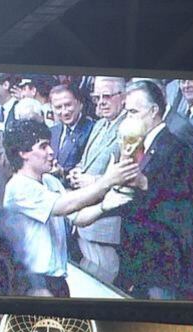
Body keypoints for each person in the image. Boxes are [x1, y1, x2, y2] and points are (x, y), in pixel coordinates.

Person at [1, 119, 138, 297]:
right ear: (23, 153)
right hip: (33, 283)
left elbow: (77, 217)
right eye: (43, 147)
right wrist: (106, 181)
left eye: (49, 145)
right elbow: (64, 206)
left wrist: (104, 206)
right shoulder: (18, 187)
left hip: (56, 281)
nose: (51, 152)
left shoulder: (50, 181)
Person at [111, 80, 193, 300]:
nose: (128, 118)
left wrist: (145, 184)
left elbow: (180, 201)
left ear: (154, 111)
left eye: (133, 111)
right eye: (126, 112)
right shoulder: (137, 145)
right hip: (137, 257)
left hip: (162, 260)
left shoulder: (176, 147)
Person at [68, 76, 127, 284]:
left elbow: (127, 174)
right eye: (96, 97)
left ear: (123, 97)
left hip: (106, 223)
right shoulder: (99, 124)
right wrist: (77, 172)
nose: (101, 102)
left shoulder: (129, 128)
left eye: (107, 96)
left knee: (102, 279)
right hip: (84, 218)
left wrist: (93, 180)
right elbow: (85, 161)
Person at [49, 84, 93, 179]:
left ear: (79, 104)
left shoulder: (92, 130)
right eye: (58, 107)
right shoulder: (52, 132)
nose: (64, 112)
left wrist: (62, 172)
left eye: (68, 105)